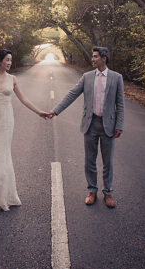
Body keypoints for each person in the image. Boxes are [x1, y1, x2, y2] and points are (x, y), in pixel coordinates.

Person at [45, 46, 124, 208]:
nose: (92, 59)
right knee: (90, 160)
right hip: (90, 124)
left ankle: (108, 192)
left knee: (107, 161)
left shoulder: (117, 78)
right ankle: (92, 190)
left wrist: (119, 125)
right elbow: (72, 94)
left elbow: (120, 105)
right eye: (92, 56)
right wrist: (56, 110)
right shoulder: (87, 77)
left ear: (104, 58)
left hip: (108, 124)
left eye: (95, 57)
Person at [0, 49, 48, 212]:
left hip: (7, 120)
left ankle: (3, 196)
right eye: (7, 60)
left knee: (2, 154)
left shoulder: (13, 79)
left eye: (11, 60)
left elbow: (24, 99)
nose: (9, 63)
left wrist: (39, 112)